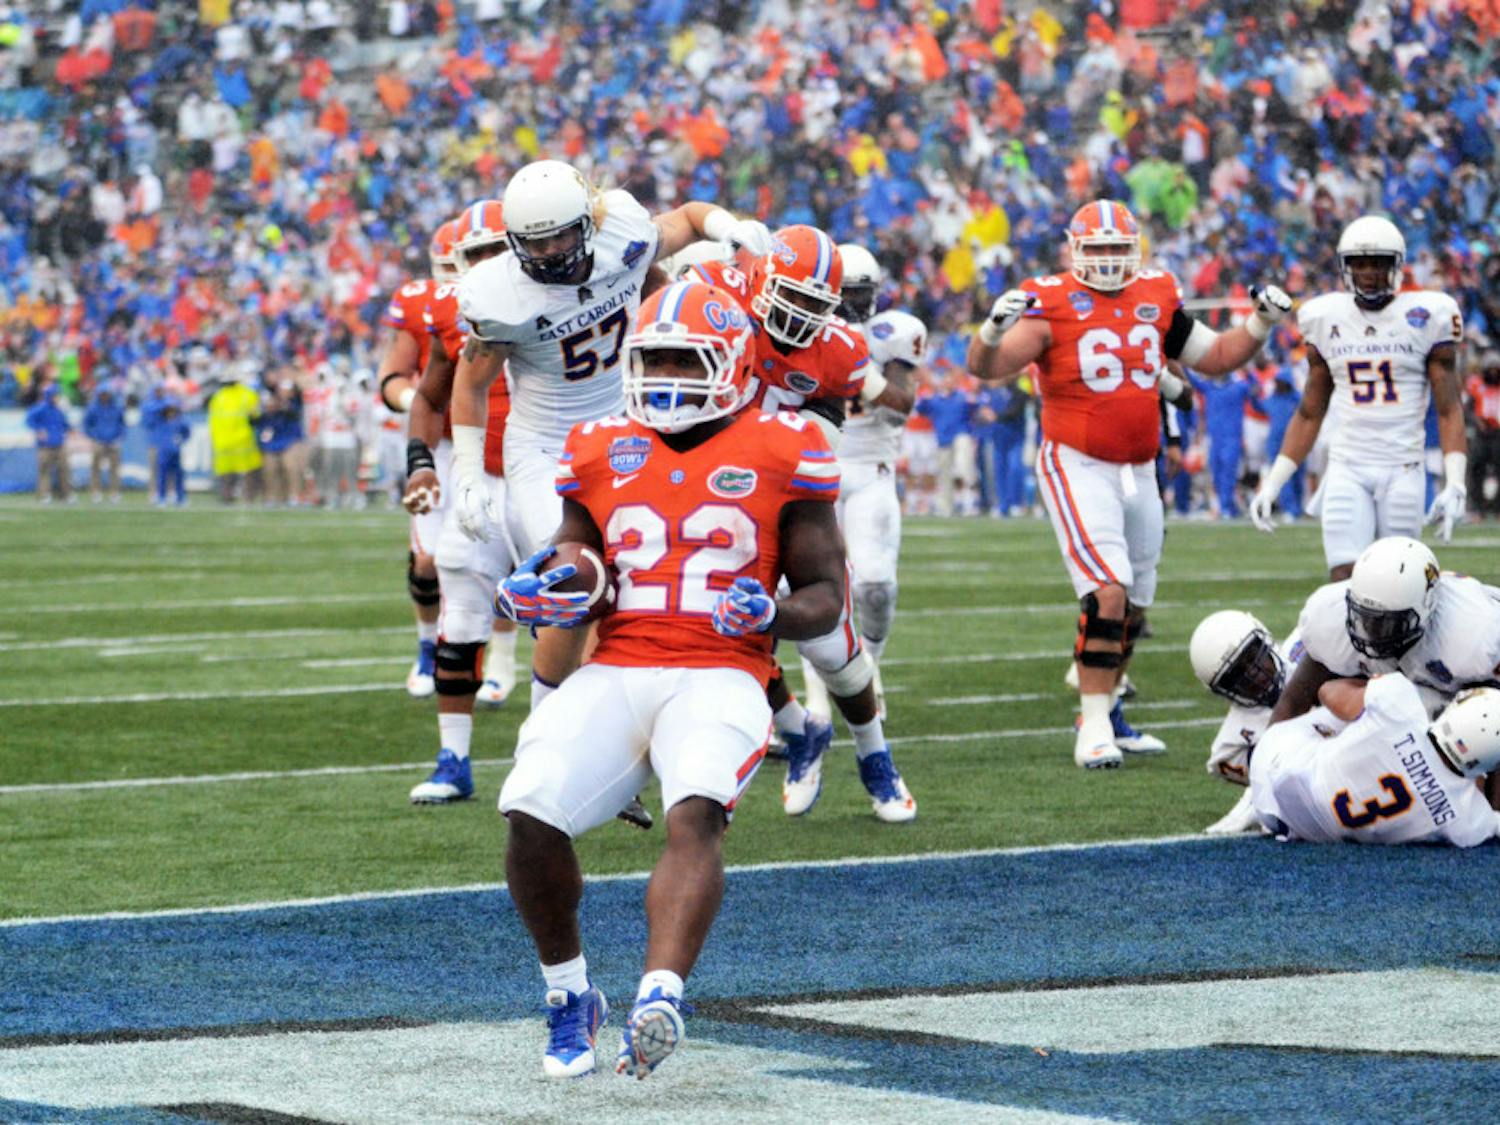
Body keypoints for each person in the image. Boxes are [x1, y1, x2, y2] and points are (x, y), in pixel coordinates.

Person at [494, 280, 848, 1079]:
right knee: (528, 808)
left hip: (721, 671)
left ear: (731, 364)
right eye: (655, 359)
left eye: (687, 361)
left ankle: (660, 994)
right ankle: (569, 995)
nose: (668, 378)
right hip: (618, 663)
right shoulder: (597, 443)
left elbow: (828, 596)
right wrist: (549, 581)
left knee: (695, 810)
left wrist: (771, 615)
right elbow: (580, 552)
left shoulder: (787, 444)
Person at [967, 198, 1292, 768]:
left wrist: (1260, 322)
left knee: (1136, 604)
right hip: (1077, 460)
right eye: (1100, 249)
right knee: (1108, 591)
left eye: (1120, 249)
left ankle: (1110, 708)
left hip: (1140, 467)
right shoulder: (1050, 299)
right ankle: (1092, 727)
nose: (1112, 260)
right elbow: (986, 368)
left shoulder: (1157, 293)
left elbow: (1215, 356)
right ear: (1075, 250)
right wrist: (992, 330)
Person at [450, 159, 772, 725]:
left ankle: (623, 724)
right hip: (546, 446)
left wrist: (728, 228)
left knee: (639, 586)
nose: (549, 254)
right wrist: (469, 473)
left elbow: (689, 220)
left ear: (588, 223)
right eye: (535, 243)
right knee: (571, 585)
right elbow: (471, 383)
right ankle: (549, 729)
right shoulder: (501, 295)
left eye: (560, 238)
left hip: (627, 430)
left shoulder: (622, 233)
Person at [684, 225, 916, 821]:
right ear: (760, 279)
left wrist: (793, 455)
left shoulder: (837, 346)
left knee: (832, 642)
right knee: (719, 629)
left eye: (816, 304)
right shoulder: (716, 296)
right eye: (792, 297)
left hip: (785, 495)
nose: (800, 315)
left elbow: (828, 414)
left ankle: (875, 755)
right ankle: (798, 729)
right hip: (711, 495)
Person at [1249, 217, 1468, 576]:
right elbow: (1309, 413)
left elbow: (1448, 409)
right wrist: (1273, 482)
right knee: (1343, 579)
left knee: (1398, 583)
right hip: (1348, 466)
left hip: (1403, 468)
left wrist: (1455, 480)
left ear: (1396, 266)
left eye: (1378, 263)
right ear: (1345, 267)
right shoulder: (1325, 316)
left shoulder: (1428, 315)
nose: (1368, 272)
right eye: (1359, 264)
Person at [403, 200, 520, 804]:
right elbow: (428, 396)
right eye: (473, 253)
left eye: (495, 249)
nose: (484, 264)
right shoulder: (455, 310)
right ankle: (454, 758)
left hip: (556, 477)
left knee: (585, 617)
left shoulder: (569, 297)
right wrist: (422, 463)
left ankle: (566, 756)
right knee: (461, 616)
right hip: (484, 479)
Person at [793, 242, 919, 725]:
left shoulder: (893, 333)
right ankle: (818, 699)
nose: (848, 305)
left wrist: (855, 368)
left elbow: (899, 402)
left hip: (871, 472)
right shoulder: (799, 333)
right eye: (840, 295)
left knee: (876, 586)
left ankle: (868, 669)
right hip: (812, 469)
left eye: (857, 295)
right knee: (815, 586)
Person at [1270, 536, 1500, 728]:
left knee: (1478, 729)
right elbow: (1292, 702)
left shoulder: (1476, 636)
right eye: (1363, 617)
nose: (1371, 631)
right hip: (1410, 697)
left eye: (1388, 624)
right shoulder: (1330, 617)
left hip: (1468, 705)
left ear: (1427, 609)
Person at [1250, 675, 1500, 847]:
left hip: (1272, 771)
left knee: (1355, 712)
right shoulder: (1468, 822)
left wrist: (1374, 684)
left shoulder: (1401, 707)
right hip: (1300, 830)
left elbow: (1327, 690)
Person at [378, 218, 458, 699]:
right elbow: (392, 378)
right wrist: (421, 401)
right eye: (447, 266)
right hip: (441, 442)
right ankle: (429, 643)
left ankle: (504, 663)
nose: (458, 274)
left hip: (506, 441)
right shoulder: (418, 302)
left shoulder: (517, 296)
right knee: (428, 561)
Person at [1188, 609, 1303, 834]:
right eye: (1236, 674)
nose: (1253, 673)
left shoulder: (1307, 649)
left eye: (1254, 657)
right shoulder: (1230, 746)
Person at [1186, 368, 1260, 518]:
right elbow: (1191, 379)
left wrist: (1248, 371)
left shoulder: (1239, 387)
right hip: (1214, 438)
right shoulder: (1209, 387)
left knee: (1228, 473)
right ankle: (1227, 506)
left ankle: (1226, 507)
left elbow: (1256, 390)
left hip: (1232, 437)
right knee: (1216, 473)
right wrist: (1181, 361)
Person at [206, 373, 263, 503]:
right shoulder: (247, 394)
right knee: (241, 470)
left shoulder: (218, 396)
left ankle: (234, 496)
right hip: (238, 439)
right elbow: (256, 414)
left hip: (228, 439)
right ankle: (240, 496)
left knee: (233, 470)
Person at [1466, 350, 1500, 519]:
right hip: (1482, 433)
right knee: (1476, 470)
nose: (1493, 372)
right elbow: (1468, 409)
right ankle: (1478, 509)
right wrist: (1477, 422)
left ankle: (1497, 509)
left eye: (1496, 369)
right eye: (1491, 369)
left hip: (1498, 433)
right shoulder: (1476, 385)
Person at [26, 383, 71, 503]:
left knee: (64, 469)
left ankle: (65, 494)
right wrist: (38, 430)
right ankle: (45, 494)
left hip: (59, 443)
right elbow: (29, 420)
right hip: (44, 445)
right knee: (44, 470)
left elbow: (64, 424)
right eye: (55, 394)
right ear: (49, 395)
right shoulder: (40, 408)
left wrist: (70, 429)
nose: (57, 397)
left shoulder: (59, 409)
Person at [83, 383, 125, 502]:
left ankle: (115, 492)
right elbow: (86, 425)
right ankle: (95, 492)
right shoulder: (93, 408)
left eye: (107, 394)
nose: (105, 396)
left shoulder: (116, 407)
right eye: (103, 394)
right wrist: (94, 437)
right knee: (95, 468)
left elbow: (122, 424)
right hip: (99, 442)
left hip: (113, 442)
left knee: (115, 468)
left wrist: (119, 437)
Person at [155, 403, 190, 506]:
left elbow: (187, 432)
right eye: (169, 411)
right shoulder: (160, 422)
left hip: (176, 453)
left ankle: (180, 498)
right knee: (162, 476)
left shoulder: (179, 423)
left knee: (179, 476)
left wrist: (182, 440)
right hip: (164, 453)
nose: (171, 413)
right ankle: (162, 497)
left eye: (173, 411)